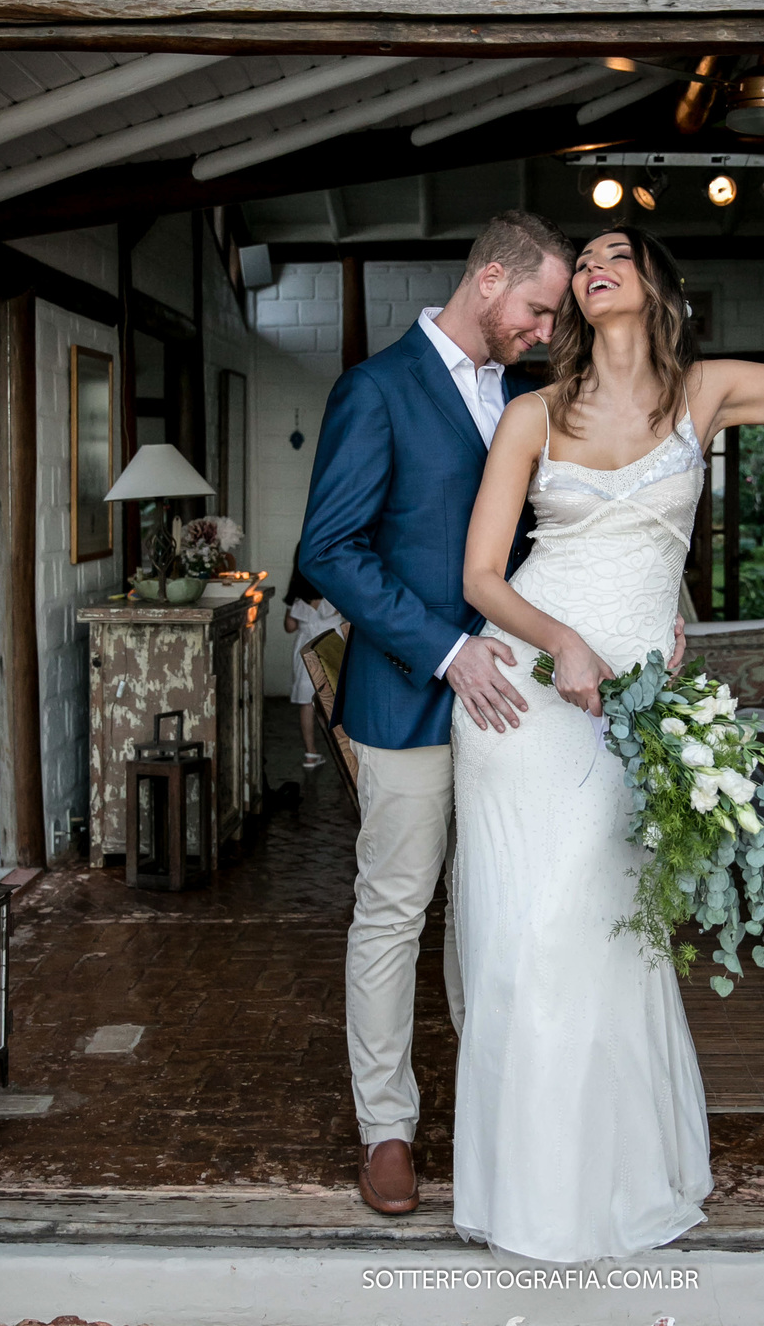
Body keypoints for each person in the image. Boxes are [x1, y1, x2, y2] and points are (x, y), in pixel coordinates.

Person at [452, 174, 764, 1263]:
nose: (595, 265)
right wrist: (562, 642)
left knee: (613, 941)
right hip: (528, 704)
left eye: (616, 253)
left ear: (656, 287)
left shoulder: (705, 392)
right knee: (528, 943)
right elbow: (481, 577)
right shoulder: (530, 413)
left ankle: (618, 1180)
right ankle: (528, 1196)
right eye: (584, 260)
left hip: (639, 716)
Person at [298, 211, 577, 1217]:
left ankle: (494, 1116)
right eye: (537, 309)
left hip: (519, 711)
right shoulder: (374, 389)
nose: (543, 330)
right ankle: (387, 1129)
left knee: (498, 912)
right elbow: (330, 549)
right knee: (395, 909)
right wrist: (449, 651)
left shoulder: (528, 396)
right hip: (407, 699)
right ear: (490, 280)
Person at [281, 545, 344, 770]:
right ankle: (342, 750)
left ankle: (311, 753)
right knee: (335, 701)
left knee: (307, 704)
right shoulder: (334, 588)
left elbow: (289, 627)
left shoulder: (298, 595)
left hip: (305, 653)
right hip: (331, 649)